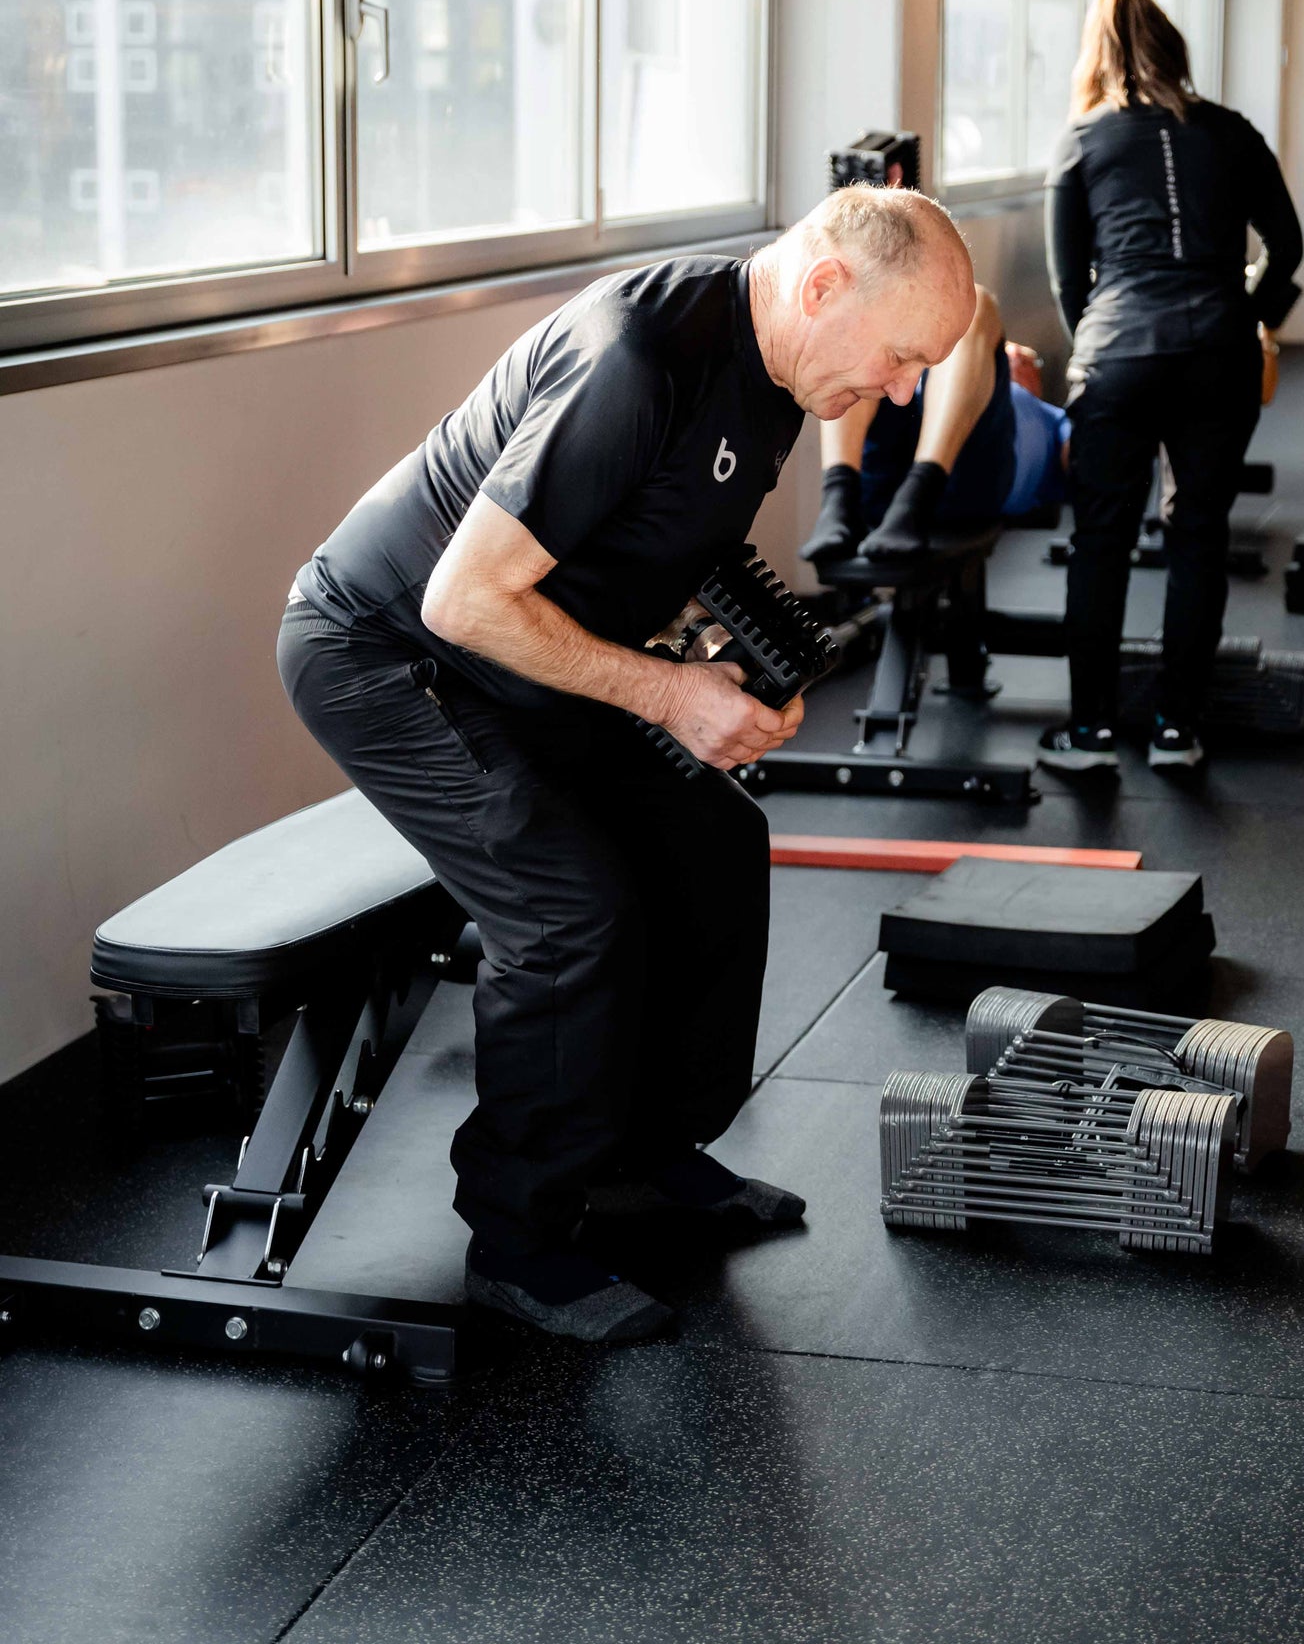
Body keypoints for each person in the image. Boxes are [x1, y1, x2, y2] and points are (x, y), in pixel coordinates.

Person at [277, 187, 976, 1344]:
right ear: (821, 288)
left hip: (522, 655)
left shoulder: (781, 378)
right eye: (902, 358)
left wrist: (731, 670)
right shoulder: (638, 358)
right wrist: (668, 695)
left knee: (711, 840)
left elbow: (661, 546)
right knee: (567, 909)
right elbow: (462, 599)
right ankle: (517, 1236)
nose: (903, 391)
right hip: (389, 652)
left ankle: (645, 1159)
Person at [1037, 0, 1302, 776]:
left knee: (1100, 541)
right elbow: (1284, 248)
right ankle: (1176, 732)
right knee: (1198, 536)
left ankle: (1087, 735)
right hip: (1219, 352)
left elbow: (1064, 284)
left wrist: (1100, 343)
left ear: (1097, 55)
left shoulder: (1080, 140)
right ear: (1175, 49)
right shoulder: (1232, 131)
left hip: (1117, 352)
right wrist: (1244, 312)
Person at [802, 283, 1071, 563]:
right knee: (863, 309)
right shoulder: (933, 377)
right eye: (1008, 350)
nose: (1016, 355)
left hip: (967, 483)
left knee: (974, 301)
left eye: (1030, 360)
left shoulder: (1055, 421)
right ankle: (838, 498)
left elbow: (1087, 457)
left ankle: (918, 495)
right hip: (881, 486)